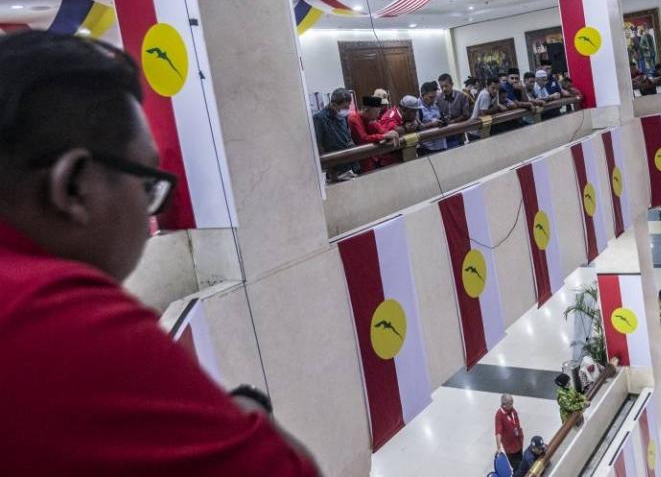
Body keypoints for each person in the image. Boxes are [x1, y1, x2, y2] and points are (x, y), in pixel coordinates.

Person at [0, 32, 319, 475]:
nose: (156, 207)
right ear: (75, 185)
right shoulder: (57, 314)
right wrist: (248, 410)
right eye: (148, 183)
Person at [314, 87, 359, 181]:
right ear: (333, 104)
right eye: (345, 107)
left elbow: (347, 136)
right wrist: (330, 171)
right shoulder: (320, 118)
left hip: (350, 163)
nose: (347, 110)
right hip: (336, 168)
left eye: (348, 106)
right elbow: (319, 145)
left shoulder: (343, 116)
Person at [347, 96, 400, 172]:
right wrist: (384, 136)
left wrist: (391, 133)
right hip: (361, 161)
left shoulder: (370, 119)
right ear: (366, 110)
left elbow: (382, 130)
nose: (378, 115)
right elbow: (363, 138)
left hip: (375, 158)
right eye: (376, 112)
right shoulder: (353, 119)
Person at [437, 73, 471, 147]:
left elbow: (466, 115)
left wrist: (453, 121)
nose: (444, 89)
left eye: (446, 86)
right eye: (441, 87)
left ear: (452, 84)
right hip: (444, 133)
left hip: (459, 131)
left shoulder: (462, 96)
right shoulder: (438, 98)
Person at [416, 81, 448, 155]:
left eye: (435, 97)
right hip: (427, 148)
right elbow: (415, 129)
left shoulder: (435, 104)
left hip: (442, 143)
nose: (433, 100)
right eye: (431, 97)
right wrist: (431, 124)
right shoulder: (416, 107)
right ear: (423, 95)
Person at [494, 394, 524, 471]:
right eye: (510, 404)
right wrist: (498, 447)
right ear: (504, 405)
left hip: (518, 442)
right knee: (517, 467)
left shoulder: (512, 410)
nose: (512, 405)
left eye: (512, 403)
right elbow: (498, 432)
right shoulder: (499, 415)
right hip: (510, 447)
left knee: (522, 462)